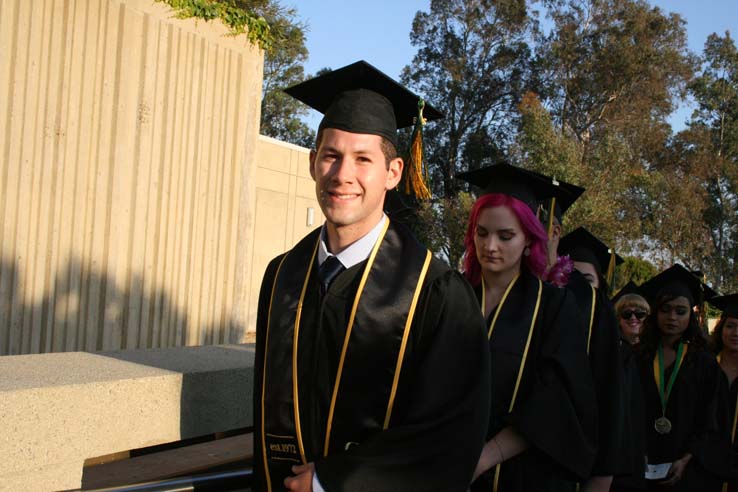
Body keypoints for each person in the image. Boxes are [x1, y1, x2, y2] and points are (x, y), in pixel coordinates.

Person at [252, 61, 491, 492]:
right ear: (312, 163)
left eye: (363, 159)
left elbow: (450, 436)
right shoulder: (282, 276)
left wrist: (331, 480)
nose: (342, 175)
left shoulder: (434, 293)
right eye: (331, 155)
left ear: (394, 173)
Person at [457, 164, 597, 491]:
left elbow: (557, 399)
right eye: (482, 232)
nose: (490, 246)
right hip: (449, 462)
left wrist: (485, 457)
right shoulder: (451, 295)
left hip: (521, 474)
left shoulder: (553, 307)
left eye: (506, 236)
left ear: (528, 239)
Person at [637, 264, 729, 491]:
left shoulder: (704, 363)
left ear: (692, 315)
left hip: (688, 468)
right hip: (638, 464)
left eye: (681, 311)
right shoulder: (636, 358)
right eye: (665, 309)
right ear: (655, 312)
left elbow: (711, 418)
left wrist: (688, 458)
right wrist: (634, 451)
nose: (672, 317)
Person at [556, 227, 632, 491]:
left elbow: (612, 403)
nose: (575, 287)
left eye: (586, 281)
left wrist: (604, 472)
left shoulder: (606, 334)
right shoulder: (544, 321)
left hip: (586, 466)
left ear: (600, 284)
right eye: (567, 277)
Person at [710, 293, 738, 492]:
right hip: (707, 462)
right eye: (730, 326)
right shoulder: (706, 367)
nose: (736, 332)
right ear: (721, 329)